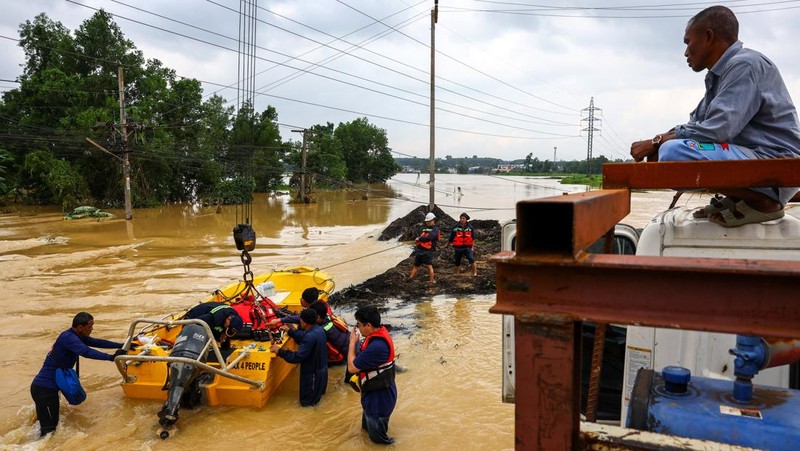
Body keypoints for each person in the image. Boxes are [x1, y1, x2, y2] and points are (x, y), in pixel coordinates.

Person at [630, 5, 800, 227]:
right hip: (758, 161)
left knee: (673, 151)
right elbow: (696, 124)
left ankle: (763, 204)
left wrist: (659, 141)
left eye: (688, 42)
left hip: (777, 164)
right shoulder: (720, 76)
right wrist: (659, 144)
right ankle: (739, 199)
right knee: (670, 149)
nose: (685, 52)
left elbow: (719, 130)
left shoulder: (744, 65)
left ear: (708, 36)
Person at [30, 312, 125, 436]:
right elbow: (86, 351)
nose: (92, 329)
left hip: (49, 389)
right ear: (80, 327)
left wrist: (122, 345)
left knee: (50, 426)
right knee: (49, 430)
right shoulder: (68, 338)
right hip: (44, 389)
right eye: (90, 326)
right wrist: (111, 357)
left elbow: (97, 342)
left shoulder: (76, 335)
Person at [347, 306, 397, 445]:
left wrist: (352, 343)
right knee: (366, 431)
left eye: (359, 325)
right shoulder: (376, 336)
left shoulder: (377, 346)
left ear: (368, 325)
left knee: (379, 443)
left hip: (379, 401)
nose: (358, 328)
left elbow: (351, 368)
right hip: (374, 395)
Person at [270, 308, 328, 406]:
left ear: (303, 322)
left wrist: (280, 351)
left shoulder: (310, 336)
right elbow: (305, 338)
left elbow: (297, 357)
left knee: (307, 404)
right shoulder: (319, 329)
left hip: (312, 376)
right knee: (317, 400)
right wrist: (291, 331)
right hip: (322, 372)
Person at [309, 301, 350, 365]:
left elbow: (306, 338)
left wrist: (291, 331)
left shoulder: (321, 330)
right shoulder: (330, 318)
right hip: (351, 347)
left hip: (344, 357)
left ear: (318, 317)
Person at [409, 212, 439, 283]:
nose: (428, 223)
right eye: (427, 222)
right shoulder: (425, 229)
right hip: (420, 250)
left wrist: (419, 239)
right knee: (416, 265)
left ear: (433, 220)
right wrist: (418, 240)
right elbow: (422, 237)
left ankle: (431, 281)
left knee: (429, 266)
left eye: (429, 221)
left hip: (428, 251)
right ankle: (410, 279)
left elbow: (430, 237)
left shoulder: (435, 229)